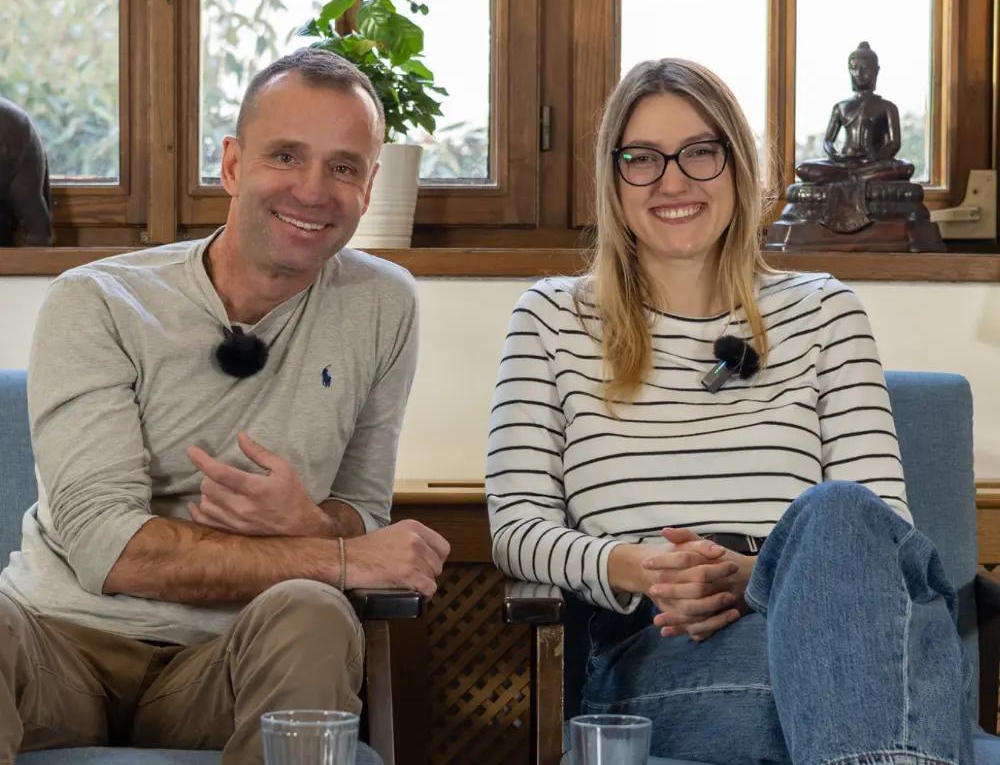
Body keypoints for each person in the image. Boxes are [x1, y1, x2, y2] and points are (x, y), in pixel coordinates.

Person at [486, 58, 972, 764]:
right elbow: (517, 530)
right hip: (665, 648)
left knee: (841, 512)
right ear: (612, 178)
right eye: (642, 158)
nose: (673, 181)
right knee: (869, 693)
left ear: (737, 166)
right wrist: (646, 569)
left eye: (700, 152)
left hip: (831, 616)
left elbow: (883, 527)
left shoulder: (825, 311)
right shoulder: (553, 318)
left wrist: (756, 577)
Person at [0, 48, 449, 764]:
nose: (313, 190)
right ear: (233, 165)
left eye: (343, 167)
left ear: (369, 189)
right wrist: (337, 556)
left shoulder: (383, 303)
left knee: (316, 614)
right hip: (59, 644)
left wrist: (310, 525)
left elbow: (361, 511)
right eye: (286, 156)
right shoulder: (96, 301)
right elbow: (107, 549)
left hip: (229, 662)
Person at [796, 40, 914, 184]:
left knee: (906, 167)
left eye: (865, 68)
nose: (858, 73)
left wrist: (875, 158)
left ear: (876, 71)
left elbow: (894, 143)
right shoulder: (840, 106)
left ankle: (853, 177)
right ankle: (858, 177)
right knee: (804, 168)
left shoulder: (887, 107)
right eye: (853, 68)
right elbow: (828, 141)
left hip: (872, 163)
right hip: (844, 162)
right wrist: (835, 155)